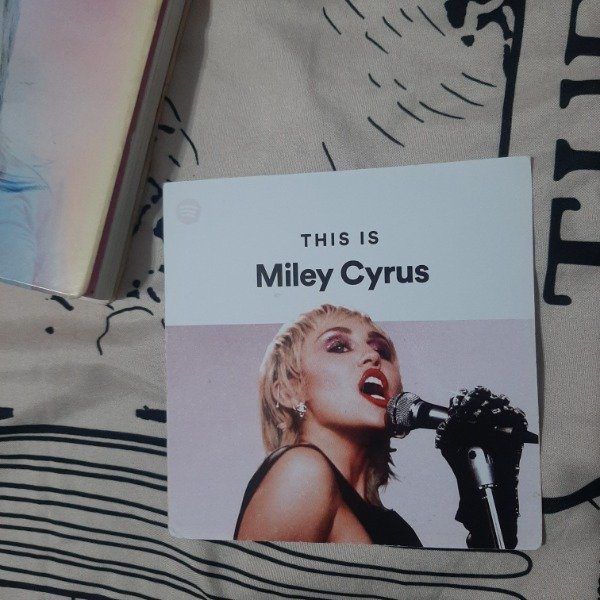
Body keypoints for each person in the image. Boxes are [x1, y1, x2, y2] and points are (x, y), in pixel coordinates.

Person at [234, 304, 527, 547]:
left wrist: (487, 512)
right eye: (339, 346)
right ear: (289, 390)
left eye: (383, 351)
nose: (373, 356)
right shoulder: (302, 470)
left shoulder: (398, 529)